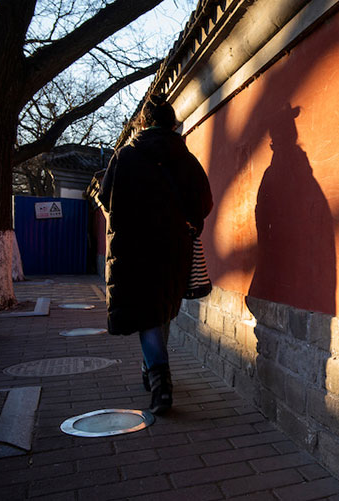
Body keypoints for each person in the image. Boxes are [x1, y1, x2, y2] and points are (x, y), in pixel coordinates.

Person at [98, 94, 213, 414]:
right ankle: (151, 369)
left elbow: (105, 198)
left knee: (147, 313)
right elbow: (204, 202)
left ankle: (161, 385)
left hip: (134, 248)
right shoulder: (185, 158)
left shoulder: (125, 156)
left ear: (143, 123)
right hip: (174, 248)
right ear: (172, 124)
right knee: (161, 309)